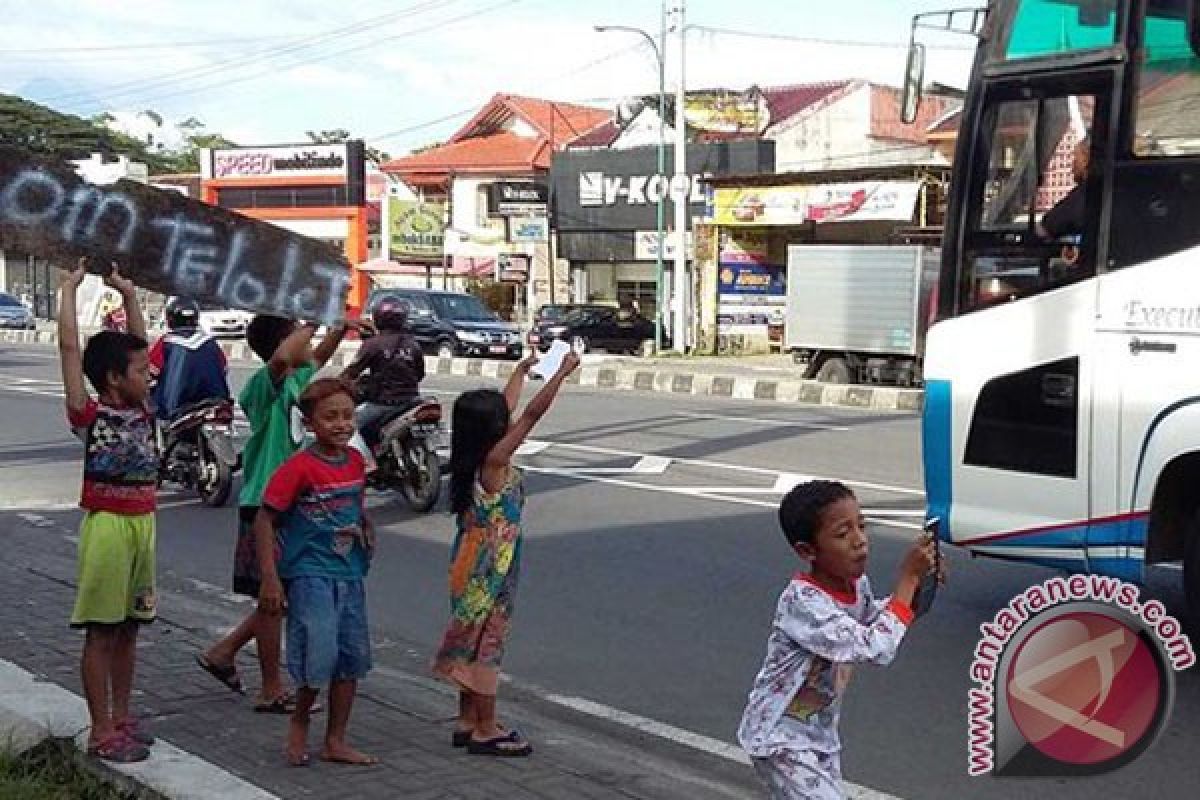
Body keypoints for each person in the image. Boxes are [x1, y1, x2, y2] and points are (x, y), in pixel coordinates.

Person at [736, 481, 940, 799]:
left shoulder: (857, 585)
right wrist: (907, 579)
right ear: (807, 551)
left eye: (862, 526)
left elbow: (875, 621)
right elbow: (876, 647)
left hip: (818, 733)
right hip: (780, 738)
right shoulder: (803, 603)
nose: (859, 541)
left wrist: (917, 588)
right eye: (843, 534)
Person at [197, 314, 356, 713]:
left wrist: (338, 328)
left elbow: (316, 357)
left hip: (297, 507)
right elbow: (287, 356)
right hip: (265, 506)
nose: (308, 344)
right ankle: (270, 688)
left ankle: (224, 651)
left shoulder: (300, 383)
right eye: (299, 338)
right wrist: (315, 318)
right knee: (273, 601)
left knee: (280, 598)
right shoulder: (261, 387)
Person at [432, 348, 581, 757]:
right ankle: (485, 728)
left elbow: (513, 406)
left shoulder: (475, 457)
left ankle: (466, 719)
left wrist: (520, 371)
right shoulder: (495, 462)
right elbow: (531, 415)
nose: (510, 419)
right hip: (488, 571)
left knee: (471, 641)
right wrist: (561, 375)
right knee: (488, 646)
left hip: (469, 560)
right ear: (495, 429)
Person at [58, 260, 158, 763]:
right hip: (108, 529)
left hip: (143, 524)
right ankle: (101, 730)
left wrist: (129, 293)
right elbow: (71, 352)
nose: (149, 375)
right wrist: (69, 292)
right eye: (139, 371)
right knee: (102, 630)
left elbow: (138, 344)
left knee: (129, 627)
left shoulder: (143, 409)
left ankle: (122, 717)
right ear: (114, 380)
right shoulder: (89, 415)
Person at [256, 378, 377, 767]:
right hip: (310, 575)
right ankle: (300, 722)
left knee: (350, 657)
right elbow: (265, 519)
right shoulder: (299, 468)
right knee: (317, 656)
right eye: (330, 417)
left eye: (347, 415)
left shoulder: (356, 461)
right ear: (309, 423)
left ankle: (336, 739)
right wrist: (271, 578)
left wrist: (365, 526)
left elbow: (356, 504)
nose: (341, 424)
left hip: (349, 572)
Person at [341, 298, 423, 454]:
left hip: (384, 403)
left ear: (378, 318)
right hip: (412, 400)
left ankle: (365, 463)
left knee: (349, 426)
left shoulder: (373, 344)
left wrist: (337, 382)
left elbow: (351, 371)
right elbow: (420, 374)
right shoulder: (413, 344)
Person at [148, 297, 231, 420]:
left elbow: (151, 371)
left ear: (170, 319)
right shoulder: (210, 342)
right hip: (216, 401)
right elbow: (224, 369)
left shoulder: (166, 342)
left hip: (175, 407)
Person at [1036, 136, 1090, 244]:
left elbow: (1046, 228)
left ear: (1086, 159)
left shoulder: (1085, 196)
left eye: (1076, 159)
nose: (1072, 168)